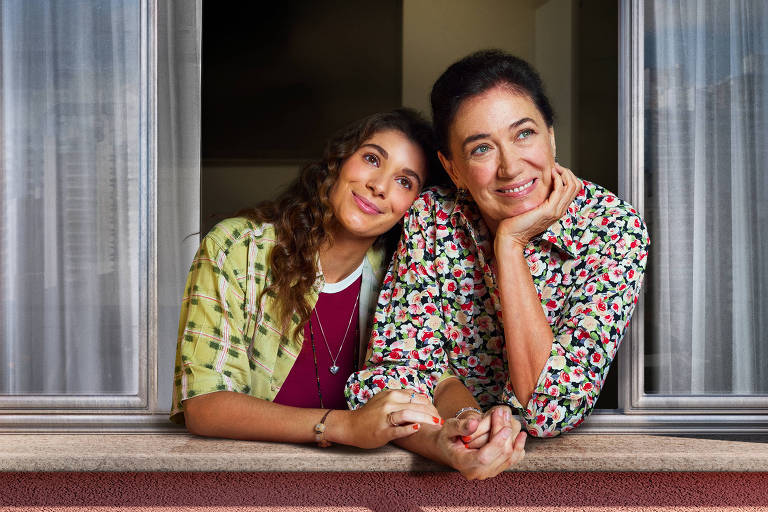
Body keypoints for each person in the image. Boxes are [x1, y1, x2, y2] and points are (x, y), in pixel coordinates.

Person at [345, 50, 650, 478]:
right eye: (482, 149)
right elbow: (391, 377)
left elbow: (547, 408)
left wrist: (510, 245)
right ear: (452, 168)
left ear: (552, 137)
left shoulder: (612, 228)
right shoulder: (434, 216)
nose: (510, 167)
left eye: (524, 134)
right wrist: (463, 424)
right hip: (446, 447)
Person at [170, 109, 447, 449]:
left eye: (405, 181)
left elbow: (435, 381)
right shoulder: (238, 249)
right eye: (372, 159)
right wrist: (343, 425)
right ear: (339, 163)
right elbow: (205, 406)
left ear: (415, 206)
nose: (379, 186)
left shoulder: (403, 278)